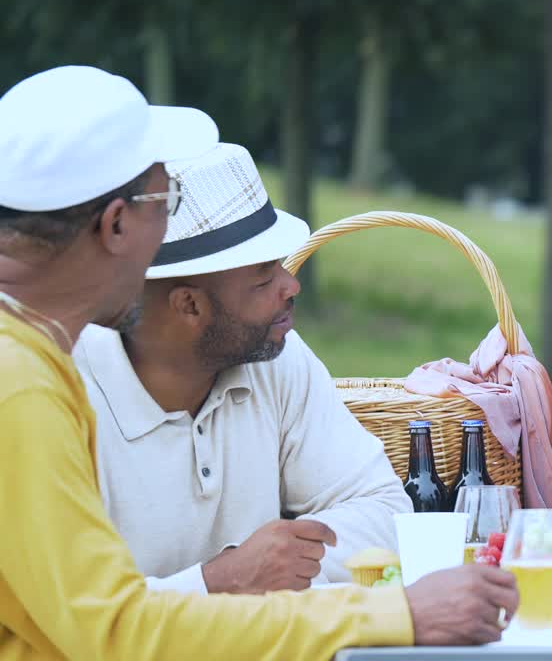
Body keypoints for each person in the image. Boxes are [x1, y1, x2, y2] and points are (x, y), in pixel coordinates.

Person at [0, 66, 517, 659]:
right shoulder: (19, 386)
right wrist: (394, 614)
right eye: (166, 200)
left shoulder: (30, 360)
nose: (289, 287)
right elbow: (115, 635)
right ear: (117, 224)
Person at [74, 142, 411, 594]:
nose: (291, 286)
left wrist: (278, 566)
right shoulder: (64, 392)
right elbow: (70, 613)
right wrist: (219, 582)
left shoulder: (276, 356)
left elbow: (384, 511)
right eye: (263, 277)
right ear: (189, 306)